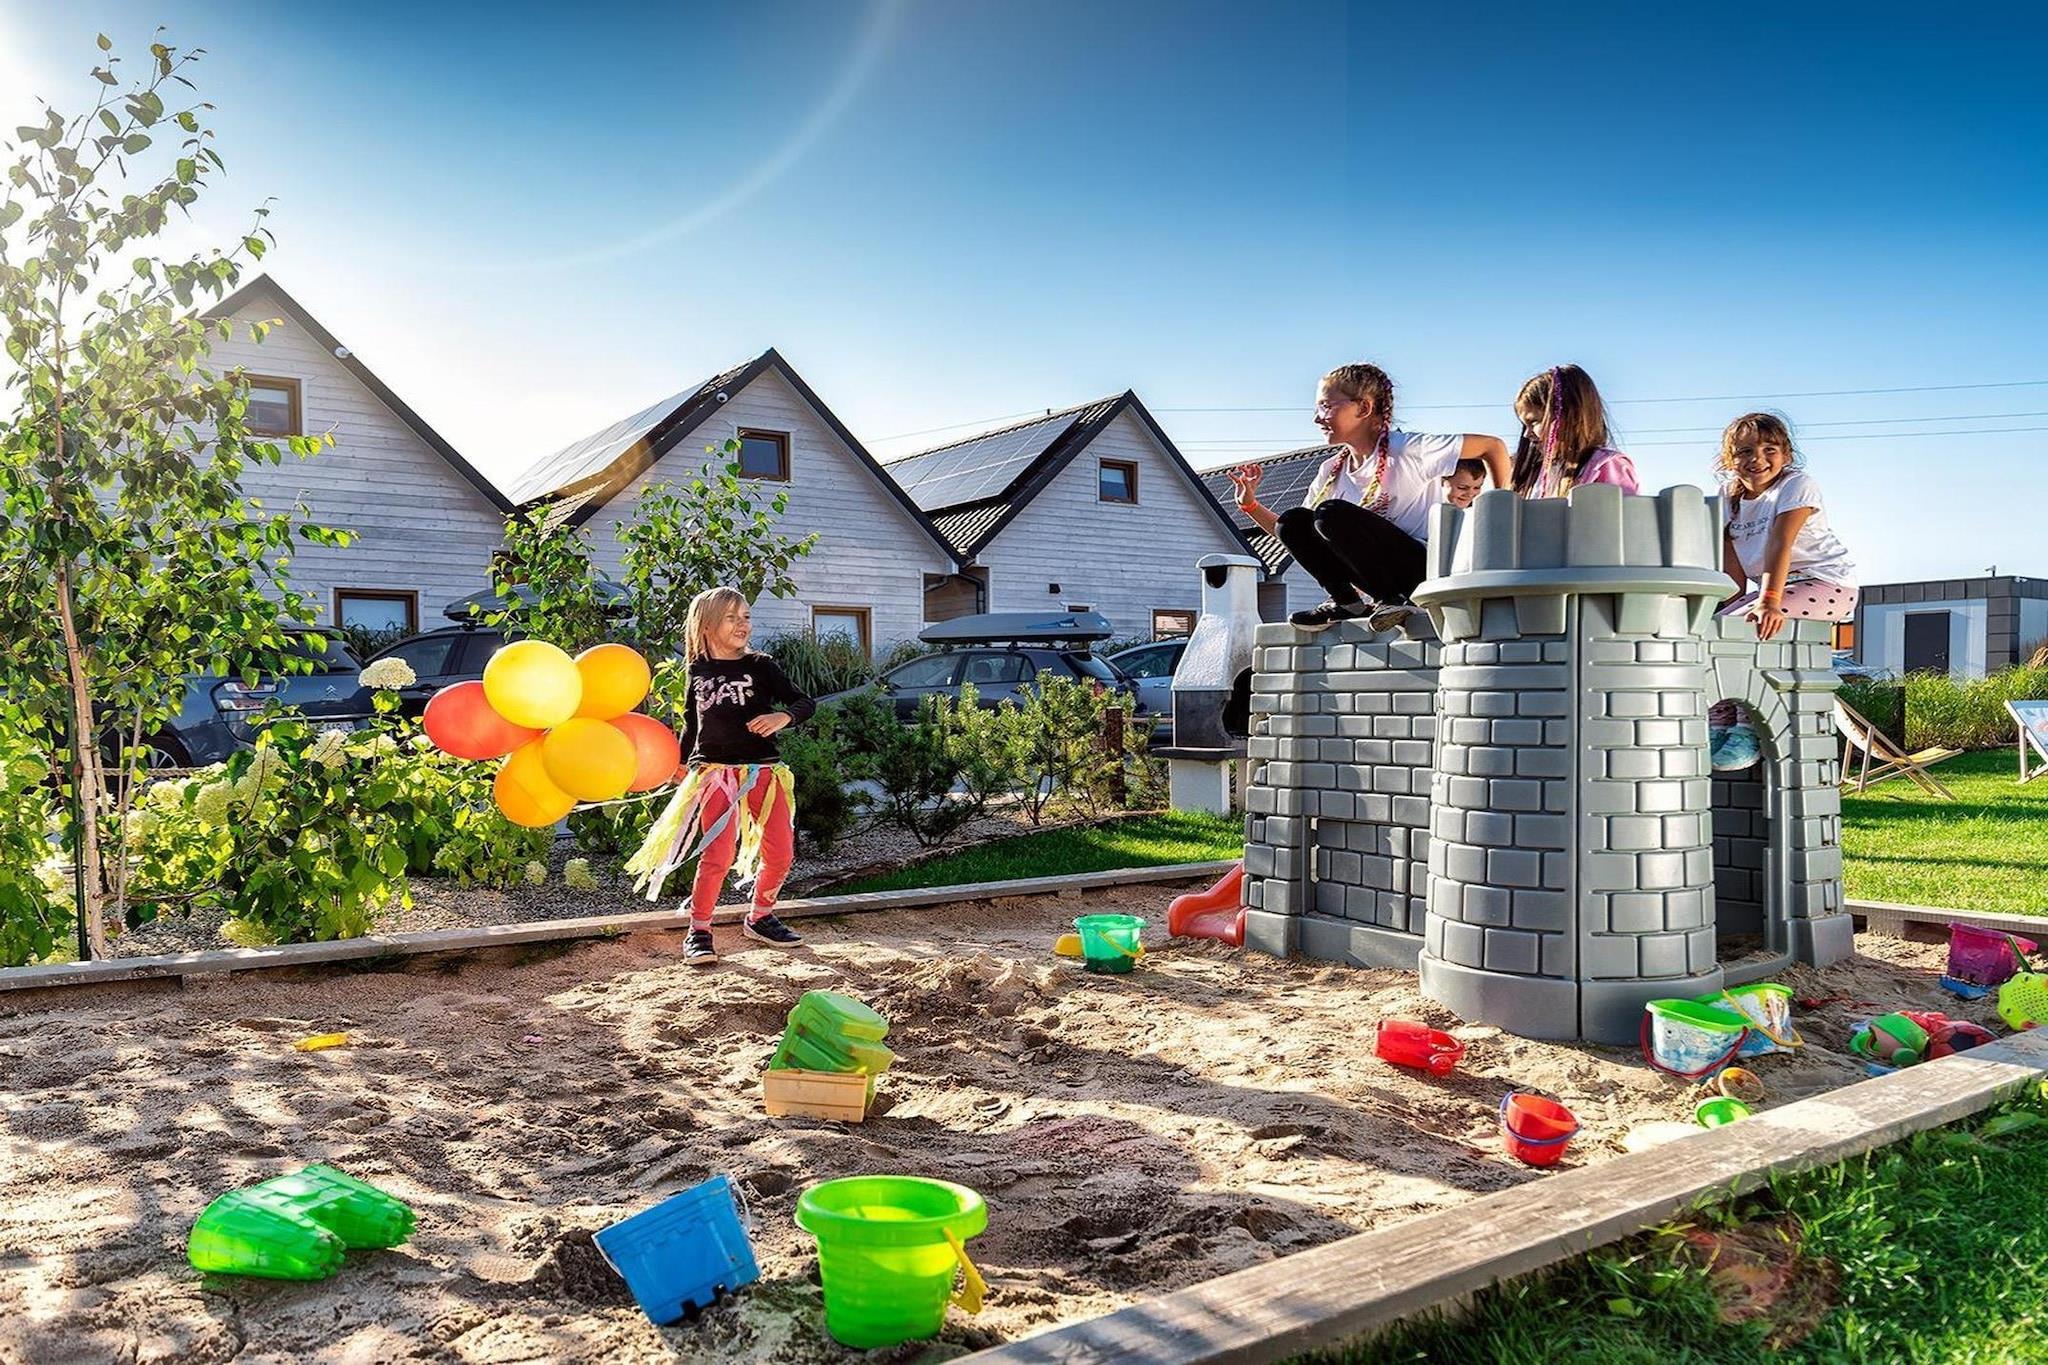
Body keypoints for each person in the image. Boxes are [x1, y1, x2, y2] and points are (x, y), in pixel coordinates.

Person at [1229, 363, 1510, 632]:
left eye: (1326, 406)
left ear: (1363, 408)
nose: (1317, 418)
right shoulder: (1331, 469)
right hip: (1373, 578)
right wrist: (1250, 505)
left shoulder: (1409, 449)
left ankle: (1395, 600)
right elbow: (1294, 536)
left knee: (1330, 514)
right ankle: (1349, 603)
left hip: (1420, 571)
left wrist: (1503, 509)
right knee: (1294, 521)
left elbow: (1493, 447)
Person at [625, 587, 813, 964]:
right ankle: (699, 930)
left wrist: (783, 717)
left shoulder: (762, 666)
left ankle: (760, 916)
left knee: (780, 851)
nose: (743, 624)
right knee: (718, 853)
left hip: (764, 773)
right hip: (715, 776)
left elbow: (804, 702)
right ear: (707, 625)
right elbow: (692, 722)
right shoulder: (698, 670)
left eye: (746, 617)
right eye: (732, 617)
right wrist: (680, 761)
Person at [1707, 412, 1857, 769]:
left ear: (1786, 454)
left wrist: (1769, 601)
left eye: (1769, 449)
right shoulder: (1728, 496)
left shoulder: (1796, 485)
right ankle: (1718, 723)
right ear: (1729, 460)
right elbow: (1732, 563)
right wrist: (1723, 612)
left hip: (1826, 583)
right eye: (1745, 451)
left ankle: (1747, 731)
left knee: (1744, 629)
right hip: (1776, 588)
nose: (1757, 459)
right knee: (1712, 632)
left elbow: (1781, 541)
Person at [1510, 365, 1640, 496]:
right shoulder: (1536, 472)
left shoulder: (1605, 466)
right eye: (1525, 426)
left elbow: (1620, 508)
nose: (1526, 434)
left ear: (1571, 415)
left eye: (1534, 422)